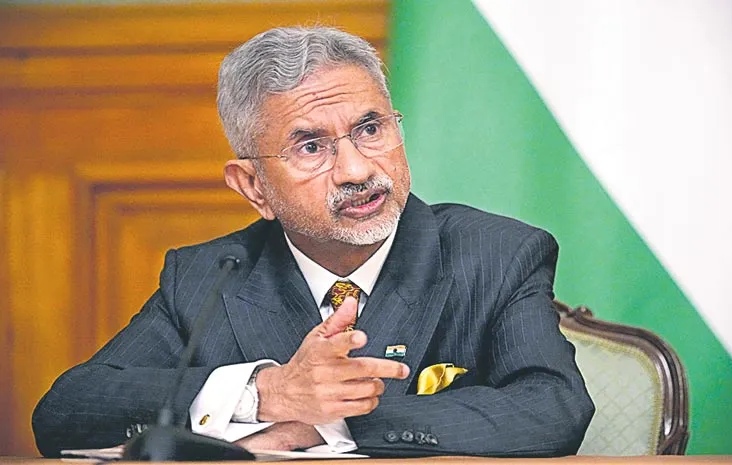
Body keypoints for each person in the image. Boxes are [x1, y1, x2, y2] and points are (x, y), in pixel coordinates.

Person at [32, 26, 594, 458]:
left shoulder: (496, 255)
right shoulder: (208, 276)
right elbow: (65, 412)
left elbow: (554, 408)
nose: (356, 170)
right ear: (254, 187)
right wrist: (266, 393)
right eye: (310, 147)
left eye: (370, 129)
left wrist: (331, 420)